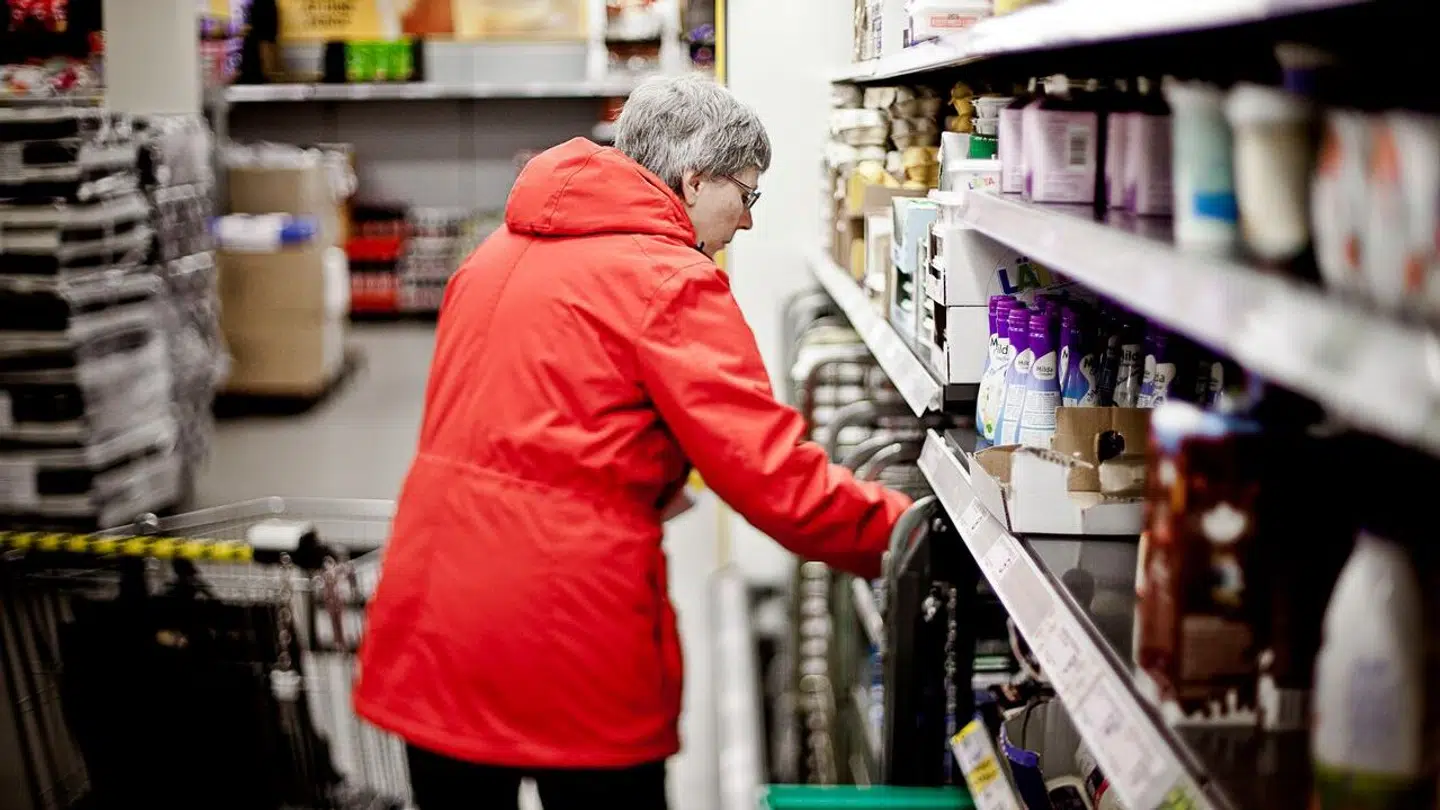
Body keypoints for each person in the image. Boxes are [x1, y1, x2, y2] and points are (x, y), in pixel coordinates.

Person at [353, 74, 913, 809]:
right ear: (692, 178)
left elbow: (515, 425)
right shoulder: (672, 282)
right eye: (746, 195)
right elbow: (774, 479)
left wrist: (640, 475)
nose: (746, 223)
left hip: (433, 617)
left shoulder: (492, 257)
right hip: (564, 630)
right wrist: (907, 533)